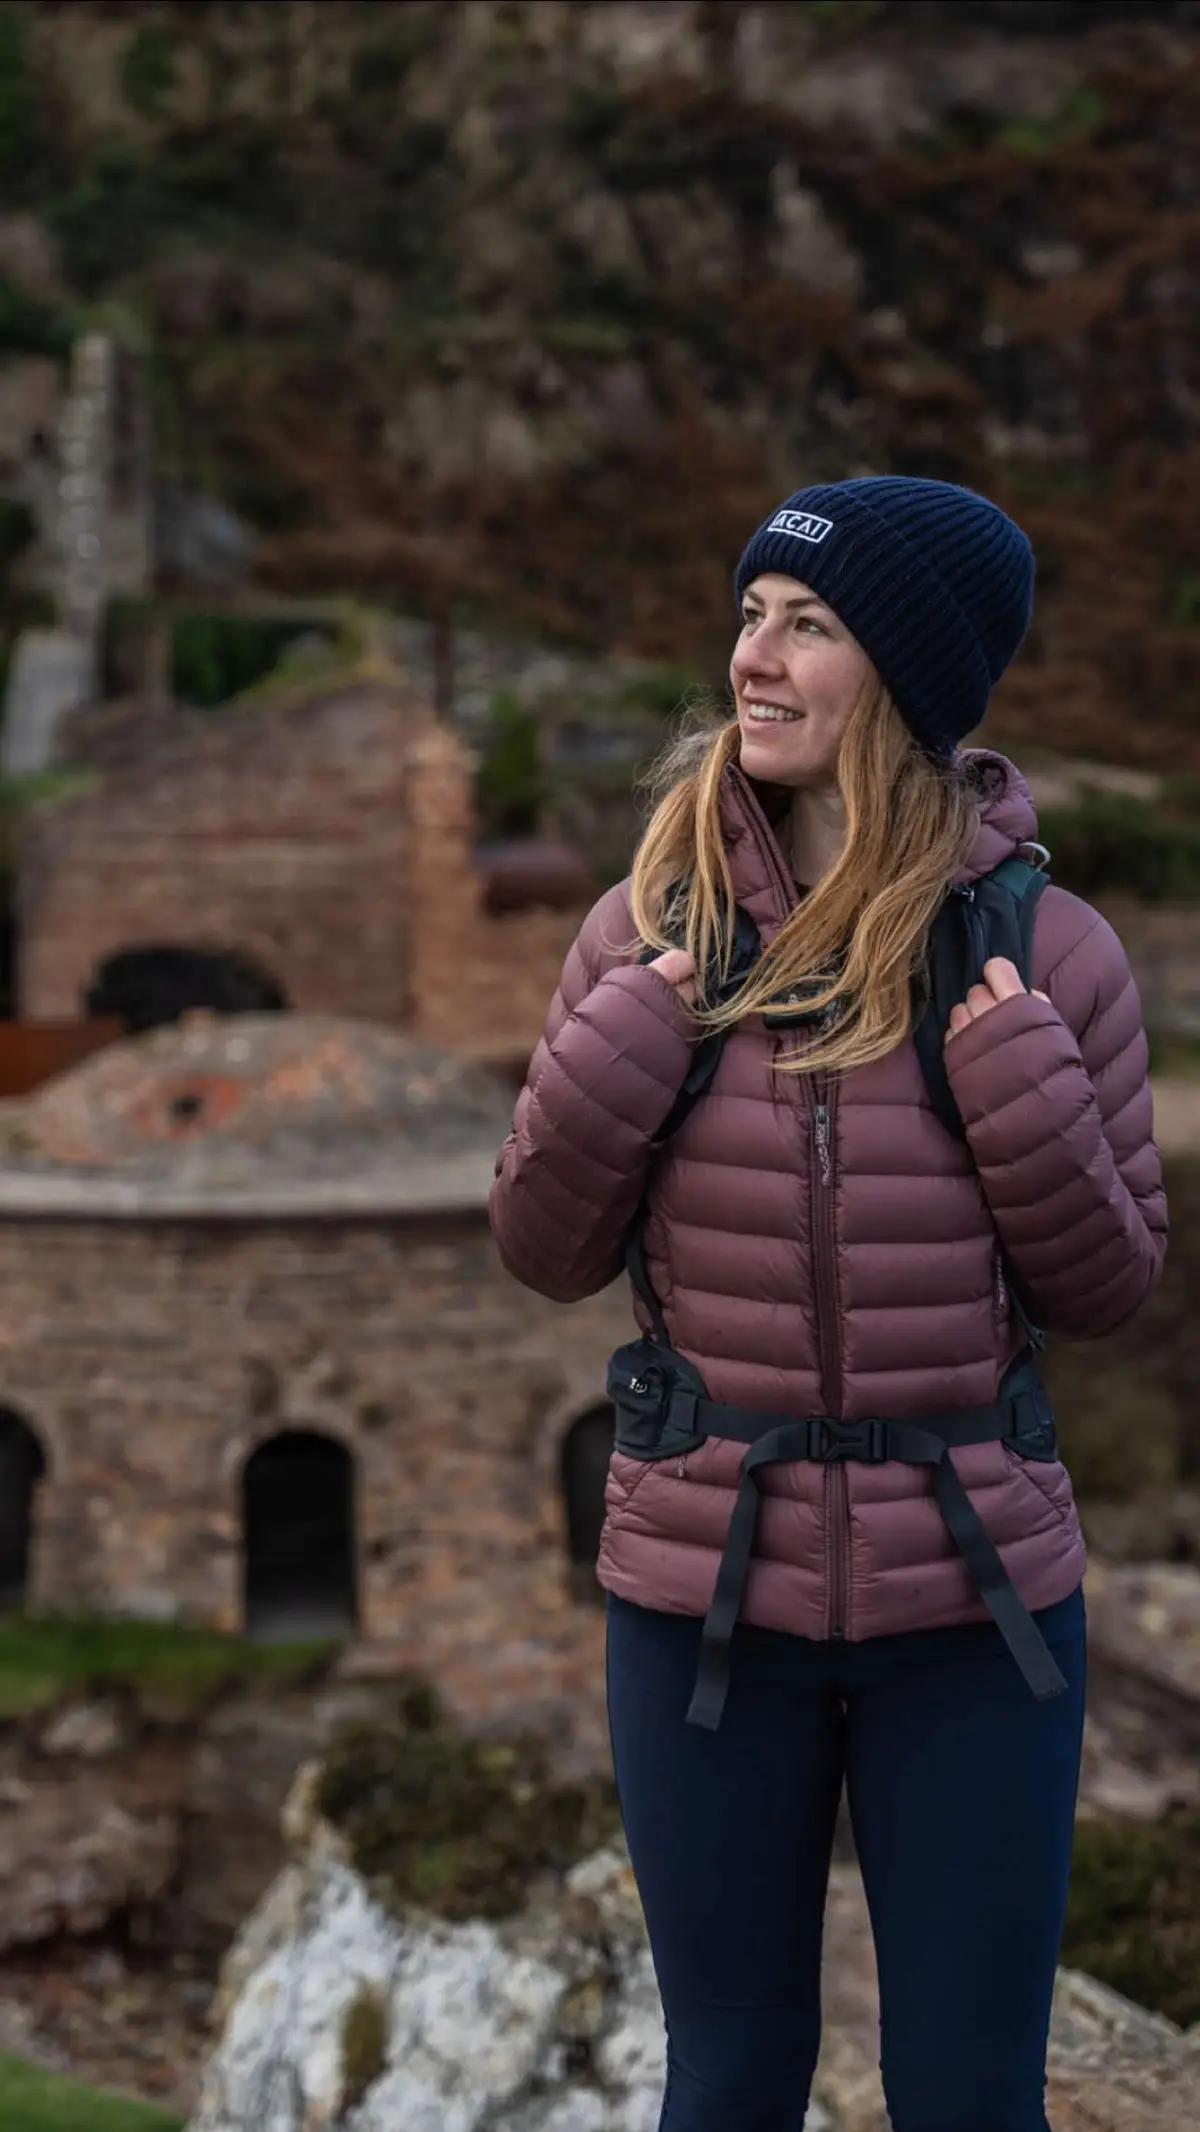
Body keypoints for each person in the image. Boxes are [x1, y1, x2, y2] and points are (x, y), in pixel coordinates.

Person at [489, 477, 1167, 2132]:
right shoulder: (642, 934)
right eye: (750, 618)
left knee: (968, 2094)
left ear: (911, 683)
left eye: (810, 628)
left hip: (979, 1609)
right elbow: (541, 1245)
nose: (754, 660)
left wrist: (1017, 1085)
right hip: (702, 1600)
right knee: (726, 2083)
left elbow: (1106, 1287)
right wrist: (625, 1049)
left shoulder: (1050, 953)